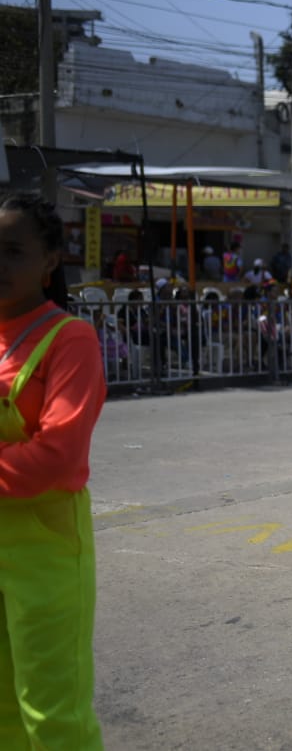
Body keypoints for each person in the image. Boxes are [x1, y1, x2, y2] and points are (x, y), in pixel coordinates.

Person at [0, 191, 108, 749]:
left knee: (52, 713)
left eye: (12, 251)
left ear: (49, 262)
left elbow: (58, 458)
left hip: (45, 551)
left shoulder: (69, 340)